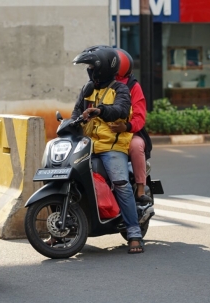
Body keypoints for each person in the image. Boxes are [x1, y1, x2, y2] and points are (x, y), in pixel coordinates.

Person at [71, 45, 144, 254]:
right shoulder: (87, 89)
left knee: (121, 184)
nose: (90, 71)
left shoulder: (120, 89)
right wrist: (72, 121)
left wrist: (101, 111)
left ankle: (134, 231)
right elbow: (76, 112)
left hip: (111, 145)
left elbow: (120, 110)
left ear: (102, 68)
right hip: (87, 145)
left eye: (92, 67)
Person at [109, 48, 153, 204]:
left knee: (136, 146)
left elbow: (139, 117)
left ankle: (140, 189)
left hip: (129, 132)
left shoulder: (133, 86)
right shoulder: (96, 83)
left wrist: (126, 127)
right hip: (102, 133)